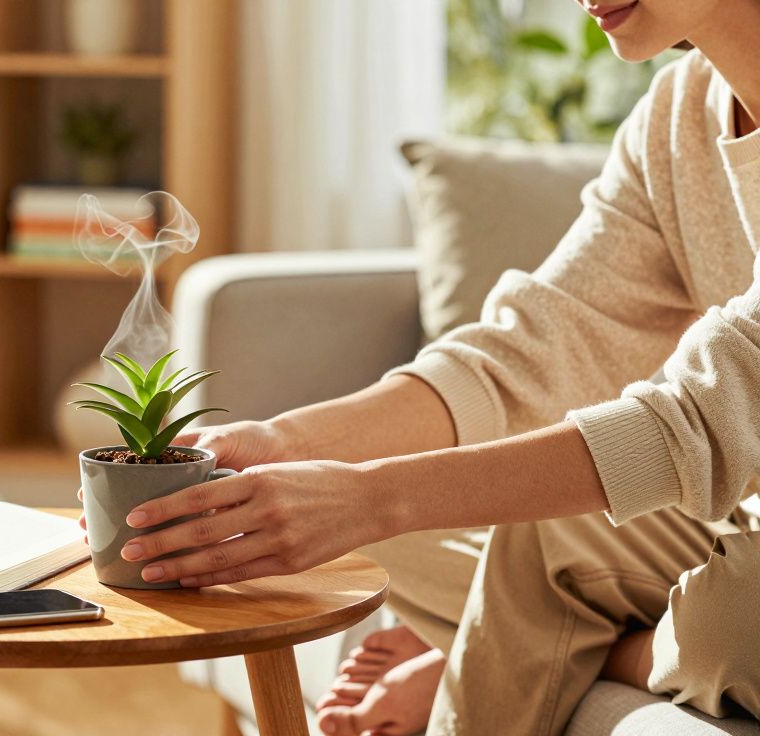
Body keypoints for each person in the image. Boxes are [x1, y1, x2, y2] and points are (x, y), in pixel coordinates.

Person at [77, 1, 760, 733]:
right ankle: (513, 640)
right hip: (730, 520)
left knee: (723, 627)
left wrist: (371, 497)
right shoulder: (678, 116)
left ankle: (516, 647)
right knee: (503, 535)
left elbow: (705, 417)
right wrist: (289, 445)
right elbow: (535, 347)